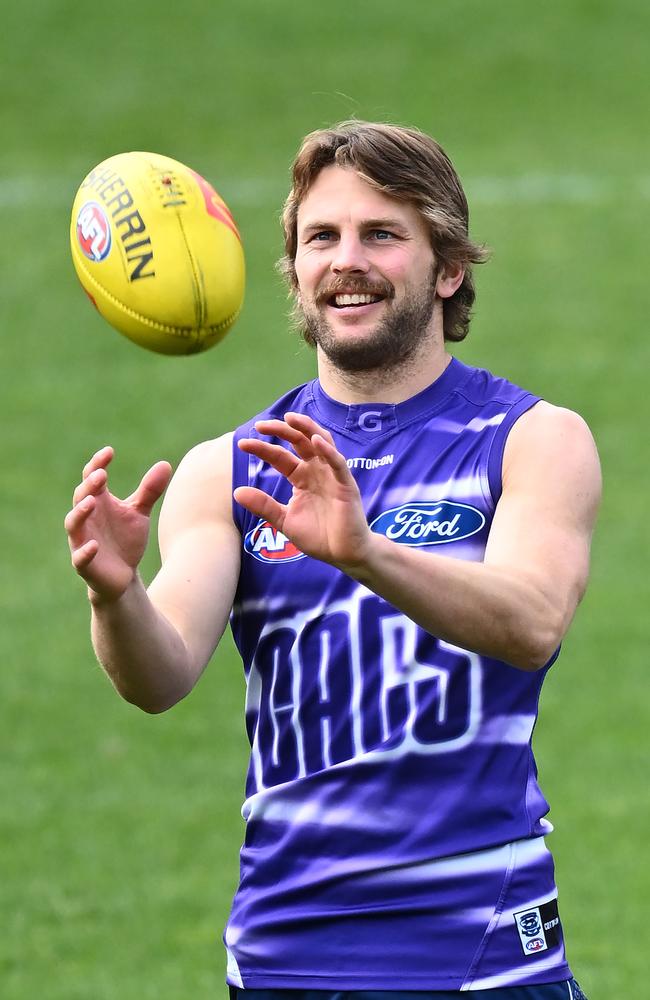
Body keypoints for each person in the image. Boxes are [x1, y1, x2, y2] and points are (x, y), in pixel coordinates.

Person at [65, 121, 600, 999]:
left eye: (382, 234)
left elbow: (531, 620)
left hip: (481, 957)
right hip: (284, 955)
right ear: (295, 268)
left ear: (449, 267)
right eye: (321, 237)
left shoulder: (530, 441)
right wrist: (115, 597)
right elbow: (157, 679)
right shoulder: (228, 469)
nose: (345, 260)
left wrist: (364, 552)